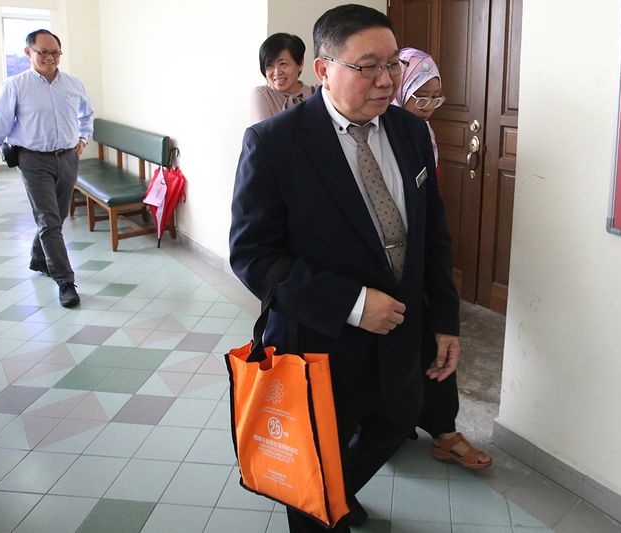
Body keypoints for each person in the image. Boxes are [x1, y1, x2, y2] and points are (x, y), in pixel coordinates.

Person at [230, 5, 460, 532]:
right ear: (324, 70)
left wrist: (445, 320)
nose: (386, 80)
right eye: (367, 66)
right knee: (310, 471)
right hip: (321, 344)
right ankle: (320, 503)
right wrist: (352, 303)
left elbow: (433, 235)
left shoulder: (408, 132)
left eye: (393, 64)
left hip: (403, 336)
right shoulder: (275, 143)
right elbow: (252, 254)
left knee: (397, 420)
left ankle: (337, 490)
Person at [393, 47, 493, 471]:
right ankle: (392, 425)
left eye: (436, 97)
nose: (429, 106)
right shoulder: (380, 132)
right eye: (421, 96)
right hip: (384, 263)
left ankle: (443, 431)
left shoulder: (423, 135)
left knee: (436, 336)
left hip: (418, 256)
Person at [0, 29, 94, 308]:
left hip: (68, 157)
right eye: (42, 52)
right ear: (28, 52)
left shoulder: (73, 83)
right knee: (48, 219)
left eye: (55, 52)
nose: (50, 58)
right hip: (33, 160)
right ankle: (65, 281)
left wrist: (82, 138)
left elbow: (86, 114)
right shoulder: (15, 85)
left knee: (55, 217)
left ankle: (38, 258)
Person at [249, 32, 315, 124]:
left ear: (300, 64)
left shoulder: (314, 94)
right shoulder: (262, 95)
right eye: (270, 65)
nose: (277, 72)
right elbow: (266, 136)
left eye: (283, 64)